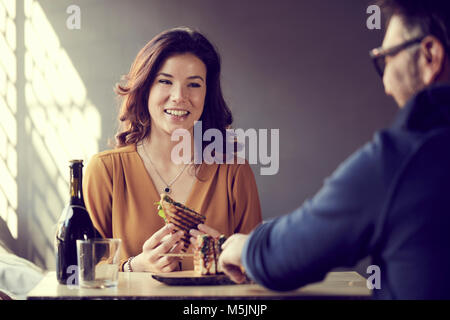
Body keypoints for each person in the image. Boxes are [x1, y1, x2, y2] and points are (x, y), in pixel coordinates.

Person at [219, 0, 450, 299]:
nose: (387, 86)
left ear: (429, 55)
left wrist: (247, 246)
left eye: (385, 60)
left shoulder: (407, 159)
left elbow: (289, 253)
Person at [83, 27, 262, 273]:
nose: (179, 96)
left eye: (194, 85)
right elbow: (82, 270)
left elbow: (259, 268)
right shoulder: (105, 171)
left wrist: (226, 257)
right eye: (165, 81)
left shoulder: (234, 172)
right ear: (145, 88)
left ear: (207, 94)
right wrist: (133, 266)